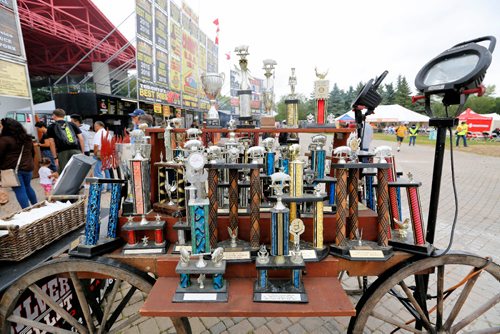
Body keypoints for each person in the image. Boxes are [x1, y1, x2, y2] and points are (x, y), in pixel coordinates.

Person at [0, 118, 38, 209]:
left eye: (1, 126)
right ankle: (37, 207)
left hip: (13, 170)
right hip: (28, 168)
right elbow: (33, 153)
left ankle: (27, 212)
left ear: (6, 127)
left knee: (20, 190)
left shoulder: (4, 140)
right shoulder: (27, 138)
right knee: (28, 187)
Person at [93, 121, 111, 191]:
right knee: (107, 170)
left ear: (98, 126)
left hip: (100, 153)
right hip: (107, 153)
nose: (94, 128)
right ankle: (109, 187)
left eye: (95, 126)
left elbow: (96, 145)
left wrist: (95, 153)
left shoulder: (98, 133)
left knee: (98, 171)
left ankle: (101, 187)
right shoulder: (107, 133)